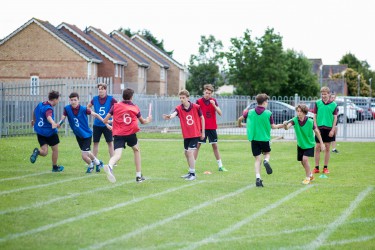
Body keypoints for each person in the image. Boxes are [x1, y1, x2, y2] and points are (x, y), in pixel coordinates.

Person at [102, 88, 152, 183]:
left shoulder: (115, 106)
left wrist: (111, 123)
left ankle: (110, 165)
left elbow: (104, 120)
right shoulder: (135, 108)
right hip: (130, 133)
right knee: (136, 150)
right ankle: (138, 175)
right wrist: (148, 119)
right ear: (131, 97)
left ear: (123, 96)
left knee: (117, 155)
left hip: (118, 134)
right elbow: (143, 121)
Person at [237, 94, 284, 187]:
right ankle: (266, 161)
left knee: (258, 159)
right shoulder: (268, 113)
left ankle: (258, 178)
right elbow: (273, 126)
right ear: (264, 102)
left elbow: (239, 119)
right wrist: (282, 125)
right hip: (264, 139)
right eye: (267, 102)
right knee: (267, 153)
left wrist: (240, 124)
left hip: (254, 139)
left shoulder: (249, 112)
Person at [163, 89, 205, 181]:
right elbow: (174, 114)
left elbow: (202, 118)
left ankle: (193, 174)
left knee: (190, 152)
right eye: (180, 98)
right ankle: (190, 172)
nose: (182, 99)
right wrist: (169, 116)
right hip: (186, 135)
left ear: (188, 98)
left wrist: (203, 132)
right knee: (186, 153)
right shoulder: (179, 108)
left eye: (183, 98)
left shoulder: (196, 107)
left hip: (195, 134)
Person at [58, 92, 104, 173]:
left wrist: (105, 121)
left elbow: (95, 115)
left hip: (87, 135)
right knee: (88, 152)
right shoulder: (67, 109)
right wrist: (59, 124)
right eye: (71, 100)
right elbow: (63, 118)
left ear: (78, 100)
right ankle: (98, 163)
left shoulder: (83, 109)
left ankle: (91, 166)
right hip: (78, 135)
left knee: (84, 156)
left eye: (75, 100)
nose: (73, 102)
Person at [283, 104, 326, 184]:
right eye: (297, 111)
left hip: (309, 144)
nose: (298, 113)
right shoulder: (294, 120)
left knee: (305, 159)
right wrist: (285, 125)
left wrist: (322, 143)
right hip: (300, 144)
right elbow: (287, 128)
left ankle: (307, 178)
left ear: (304, 113)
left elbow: (317, 132)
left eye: (300, 111)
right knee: (302, 162)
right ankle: (310, 175)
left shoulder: (310, 121)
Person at [194, 84, 227, 172]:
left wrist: (214, 106)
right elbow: (195, 114)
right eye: (206, 92)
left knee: (215, 146)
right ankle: (192, 166)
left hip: (212, 127)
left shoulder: (214, 101)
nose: (207, 94)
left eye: (209, 93)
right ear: (203, 92)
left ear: (212, 94)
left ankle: (220, 166)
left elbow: (220, 113)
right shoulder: (198, 101)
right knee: (197, 145)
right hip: (202, 128)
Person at [30, 90, 64, 172]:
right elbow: (48, 116)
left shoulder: (41, 104)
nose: (58, 101)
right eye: (58, 100)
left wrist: (33, 120)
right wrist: (53, 123)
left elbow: (34, 111)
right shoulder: (49, 108)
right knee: (55, 150)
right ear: (55, 99)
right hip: (50, 132)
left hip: (40, 132)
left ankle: (37, 151)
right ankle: (55, 167)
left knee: (44, 152)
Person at [87, 83, 117, 158]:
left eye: (102, 89)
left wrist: (113, 117)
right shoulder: (95, 99)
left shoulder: (111, 99)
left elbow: (118, 108)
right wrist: (92, 113)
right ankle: (94, 161)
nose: (100, 90)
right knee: (95, 143)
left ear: (105, 90)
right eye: (99, 89)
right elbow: (88, 107)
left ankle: (112, 161)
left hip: (107, 125)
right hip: (97, 124)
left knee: (110, 142)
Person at [313, 87, 338, 174]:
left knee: (327, 148)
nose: (323, 96)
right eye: (322, 94)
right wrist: (315, 127)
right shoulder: (317, 103)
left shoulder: (334, 105)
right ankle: (316, 168)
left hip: (329, 129)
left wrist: (332, 130)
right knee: (317, 147)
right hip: (319, 128)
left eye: (325, 94)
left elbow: (335, 118)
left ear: (329, 94)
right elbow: (314, 116)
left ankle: (325, 168)